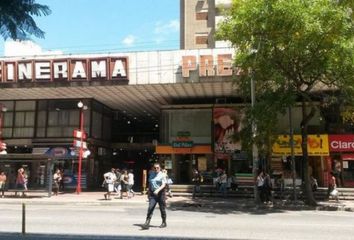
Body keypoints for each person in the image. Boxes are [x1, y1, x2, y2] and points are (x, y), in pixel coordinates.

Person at [142, 163, 167, 230]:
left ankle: (164, 222)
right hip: (153, 194)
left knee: (162, 209)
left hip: (160, 194)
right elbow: (150, 183)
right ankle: (147, 222)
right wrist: (148, 192)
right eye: (155, 168)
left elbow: (164, 184)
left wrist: (158, 190)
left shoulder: (162, 174)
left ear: (160, 168)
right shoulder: (151, 174)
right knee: (150, 207)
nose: (156, 169)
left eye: (157, 167)